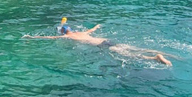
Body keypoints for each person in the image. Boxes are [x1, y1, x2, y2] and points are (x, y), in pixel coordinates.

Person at [23, 20, 174, 66]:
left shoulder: (66, 38)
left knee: (129, 55)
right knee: (133, 48)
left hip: (101, 46)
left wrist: (31, 37)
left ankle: (154, 59)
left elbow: (49, 38)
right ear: (71, 29)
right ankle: (168, 54)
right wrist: (97, 26)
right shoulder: (81, 32)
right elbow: (91, 29)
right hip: (106, 40)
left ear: (63, 32)